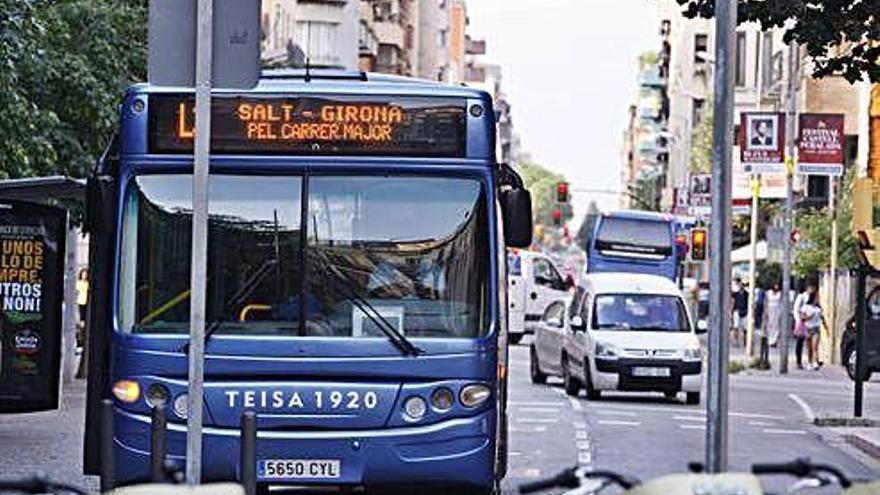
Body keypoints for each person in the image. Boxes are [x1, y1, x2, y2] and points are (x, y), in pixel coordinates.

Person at [731, 278, 748, 346]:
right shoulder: (736, 294)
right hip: (737, 310)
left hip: (745, 311)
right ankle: (736, 341)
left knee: (745, 328)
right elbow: (733, 301)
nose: (741, 286)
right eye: (740, 285)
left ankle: (745, 341)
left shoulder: (747, 294)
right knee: (736, 326)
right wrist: (732, 311)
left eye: (742, 285)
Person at [76, 268, 89, 348]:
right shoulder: (79, 283)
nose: (84, 276)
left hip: (86, 302)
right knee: (82, 322)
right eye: (83, 274)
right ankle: (80, 340)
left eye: (85, 274)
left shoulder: (88, 283)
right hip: (81, 302)